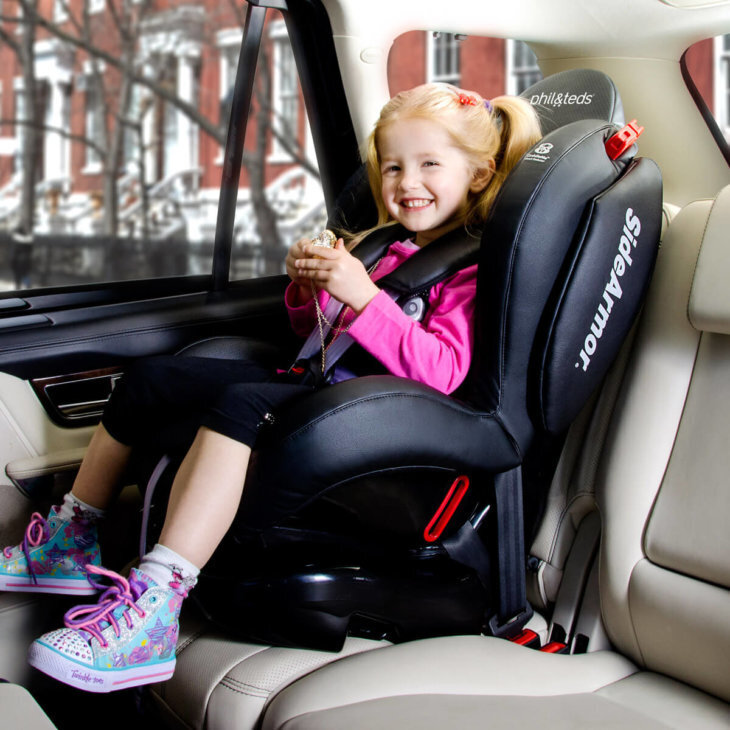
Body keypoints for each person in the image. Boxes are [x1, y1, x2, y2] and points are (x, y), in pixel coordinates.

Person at [0, 83, 541, 693]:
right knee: (150, 380)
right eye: (393, 167)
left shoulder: (472, 271)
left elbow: (442, 372)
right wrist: (308, 290)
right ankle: (72, 539)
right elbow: (319, 337)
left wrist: (363, 296)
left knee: (242, 406)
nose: (406, 182)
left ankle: (156, 606)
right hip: (321, 383)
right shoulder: (387, 247)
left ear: (479, 174)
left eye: (429, 165)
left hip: (377, 423)